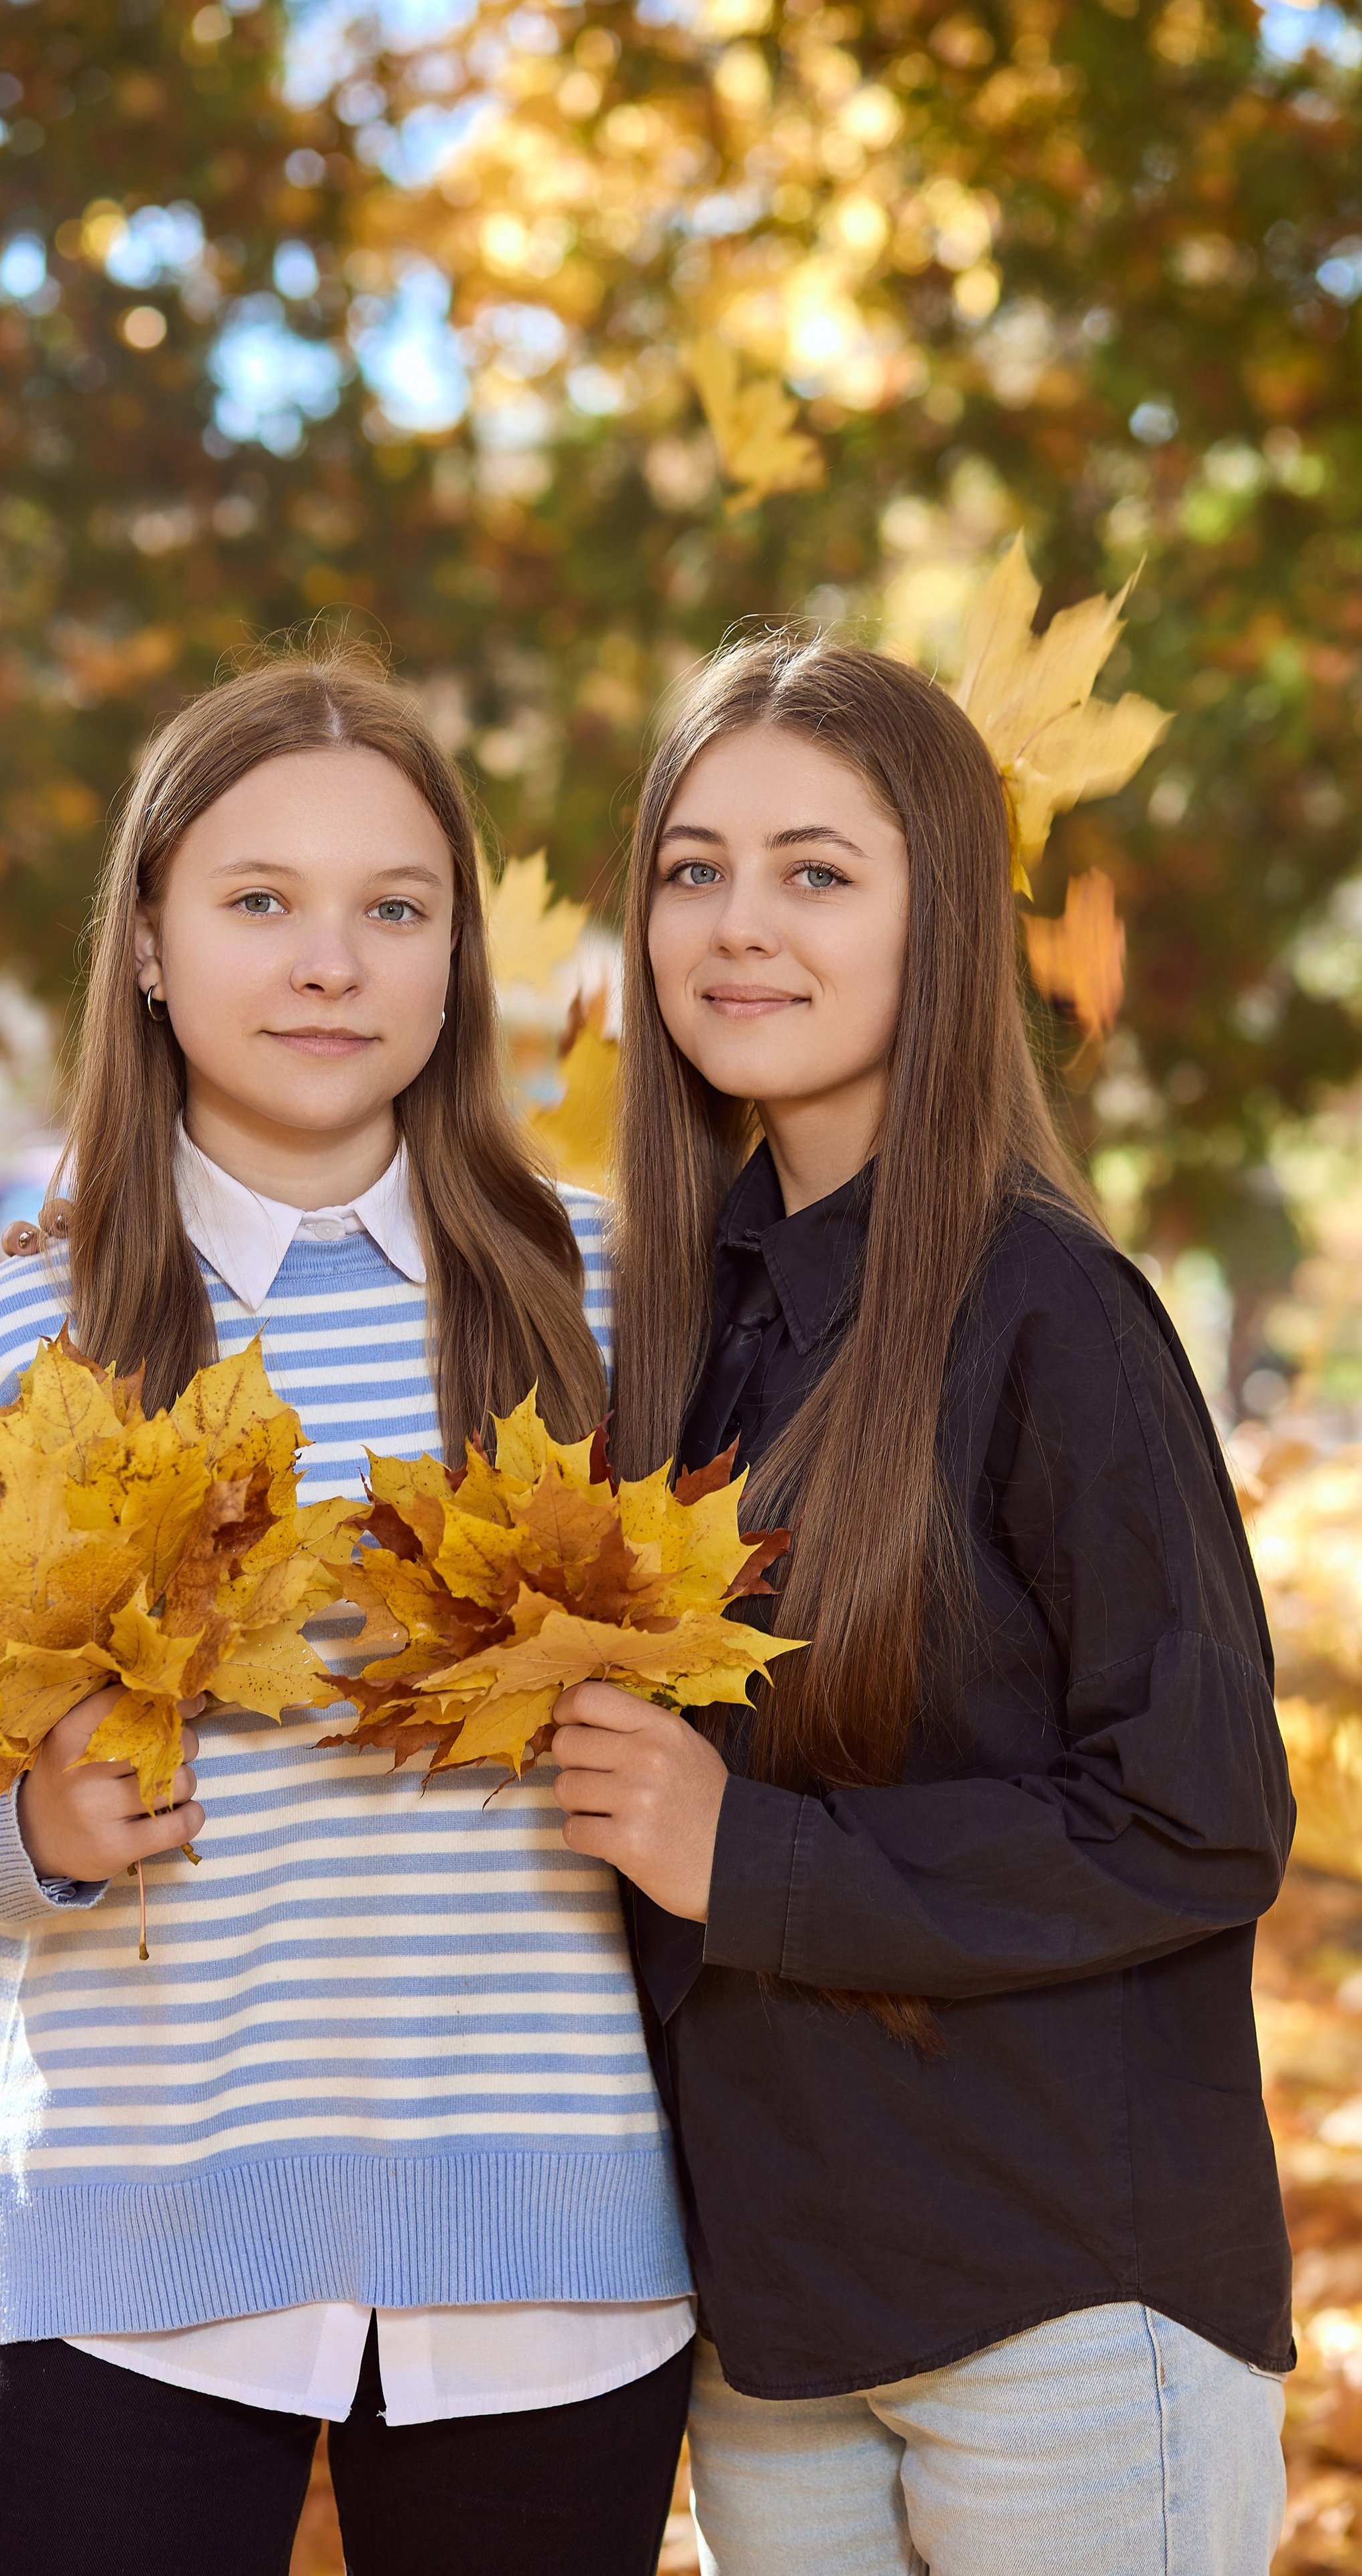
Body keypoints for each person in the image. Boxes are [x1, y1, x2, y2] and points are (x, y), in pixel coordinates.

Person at [0, 647, 693, 2576]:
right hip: (138, 2249)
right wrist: (26, 1835)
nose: (331, 964)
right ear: (146, 941)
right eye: (259, 903)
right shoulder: (14, 1346)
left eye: (395, 911)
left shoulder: (613, 1307)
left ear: (455, 959)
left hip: (548, 2257)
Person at [548, 633, 1294, 2576]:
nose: (735, 925)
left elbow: (1200, 1816)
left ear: (941, 919)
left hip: (1050, 2308)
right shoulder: (685, 1331)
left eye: (817, 871)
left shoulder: (1053, 1315)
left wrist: (753, 1859)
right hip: (777, 2336)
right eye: (691, 869)